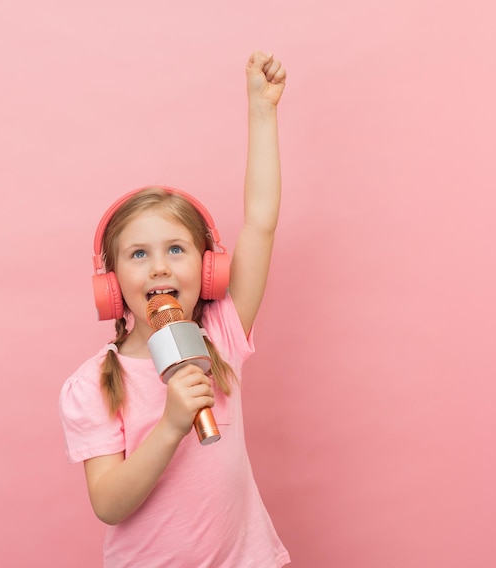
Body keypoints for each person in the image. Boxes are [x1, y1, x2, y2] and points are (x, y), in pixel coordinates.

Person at [59, 50, 290, 567]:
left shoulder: (221, 337)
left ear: (208, 270)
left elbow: (260, 223)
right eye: (138, 254)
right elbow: (108, 503)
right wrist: (169, 426)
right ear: (112, 282)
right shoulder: (94, 384)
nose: (159, 268)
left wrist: (262, 111)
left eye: (176, 250)